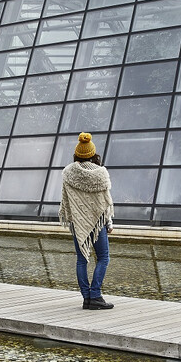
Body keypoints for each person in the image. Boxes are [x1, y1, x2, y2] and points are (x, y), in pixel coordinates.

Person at [59, 132, 115, 310]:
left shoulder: (68, 172)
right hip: (98, 223)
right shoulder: (101, 173)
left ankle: (86, 298)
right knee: (103, 258)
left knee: (81, 260)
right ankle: (96, 295)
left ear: (77, 153)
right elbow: (105, 202)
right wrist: (109, 223)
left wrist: (71, 217)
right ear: (93, 153)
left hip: (78, 222)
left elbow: (66, 199)